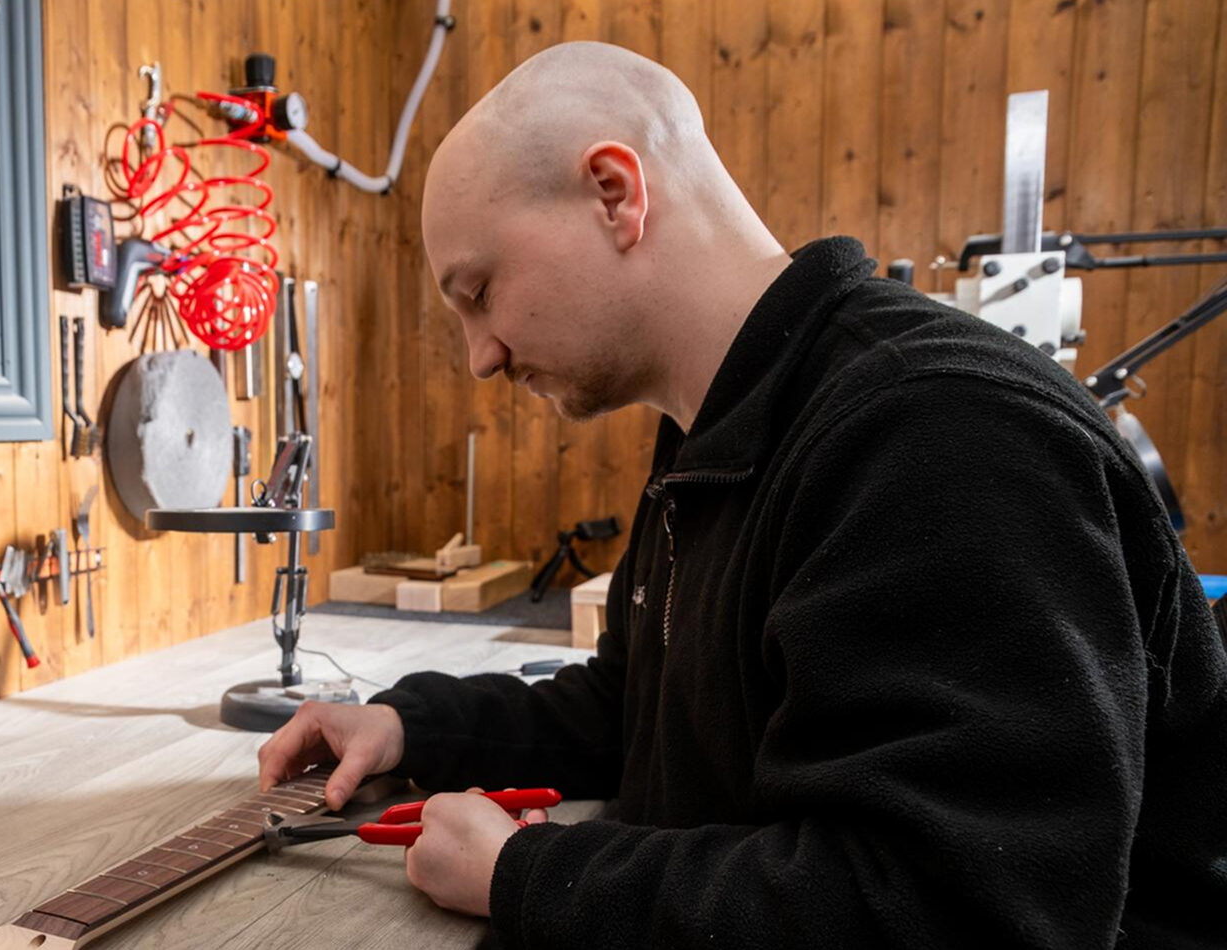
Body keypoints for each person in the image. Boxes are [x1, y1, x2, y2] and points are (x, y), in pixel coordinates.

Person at [257, 41, 1227, 948]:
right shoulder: (716, 435)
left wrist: (531, 873)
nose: (481, 356)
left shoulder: (936, 430)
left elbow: (951, 907)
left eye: (478, 293)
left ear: (613, 193)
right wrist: (411, 725)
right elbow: (638, 712)